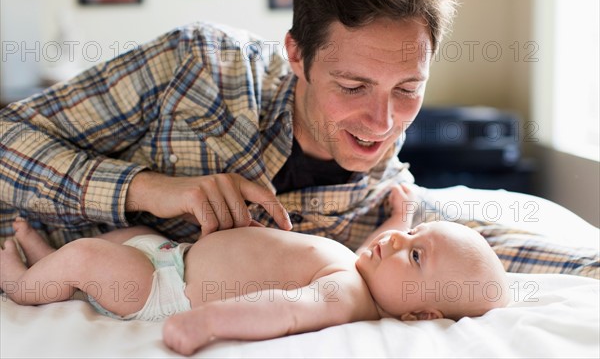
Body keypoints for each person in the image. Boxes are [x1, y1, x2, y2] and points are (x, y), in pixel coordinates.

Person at [0, 0, 596, 279]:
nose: (382, 121)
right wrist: (150, 191)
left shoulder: (382, 194)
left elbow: (473, 248)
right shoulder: (197, 66)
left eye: (408, 89)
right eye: (353, 85)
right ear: (296, 55)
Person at [0, 186, 509, 356]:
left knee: (91, 257)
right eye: (413, 238)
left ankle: (22, 285)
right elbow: (383, 247)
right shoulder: (367, 272)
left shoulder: (346, 296)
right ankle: (47, 264)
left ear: (421, 314)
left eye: (416, 254)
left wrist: (209, 323)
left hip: (164, 288)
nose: (399, 242)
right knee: (110, 244)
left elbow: (284, 312)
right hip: (171, 255)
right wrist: (402, 221)